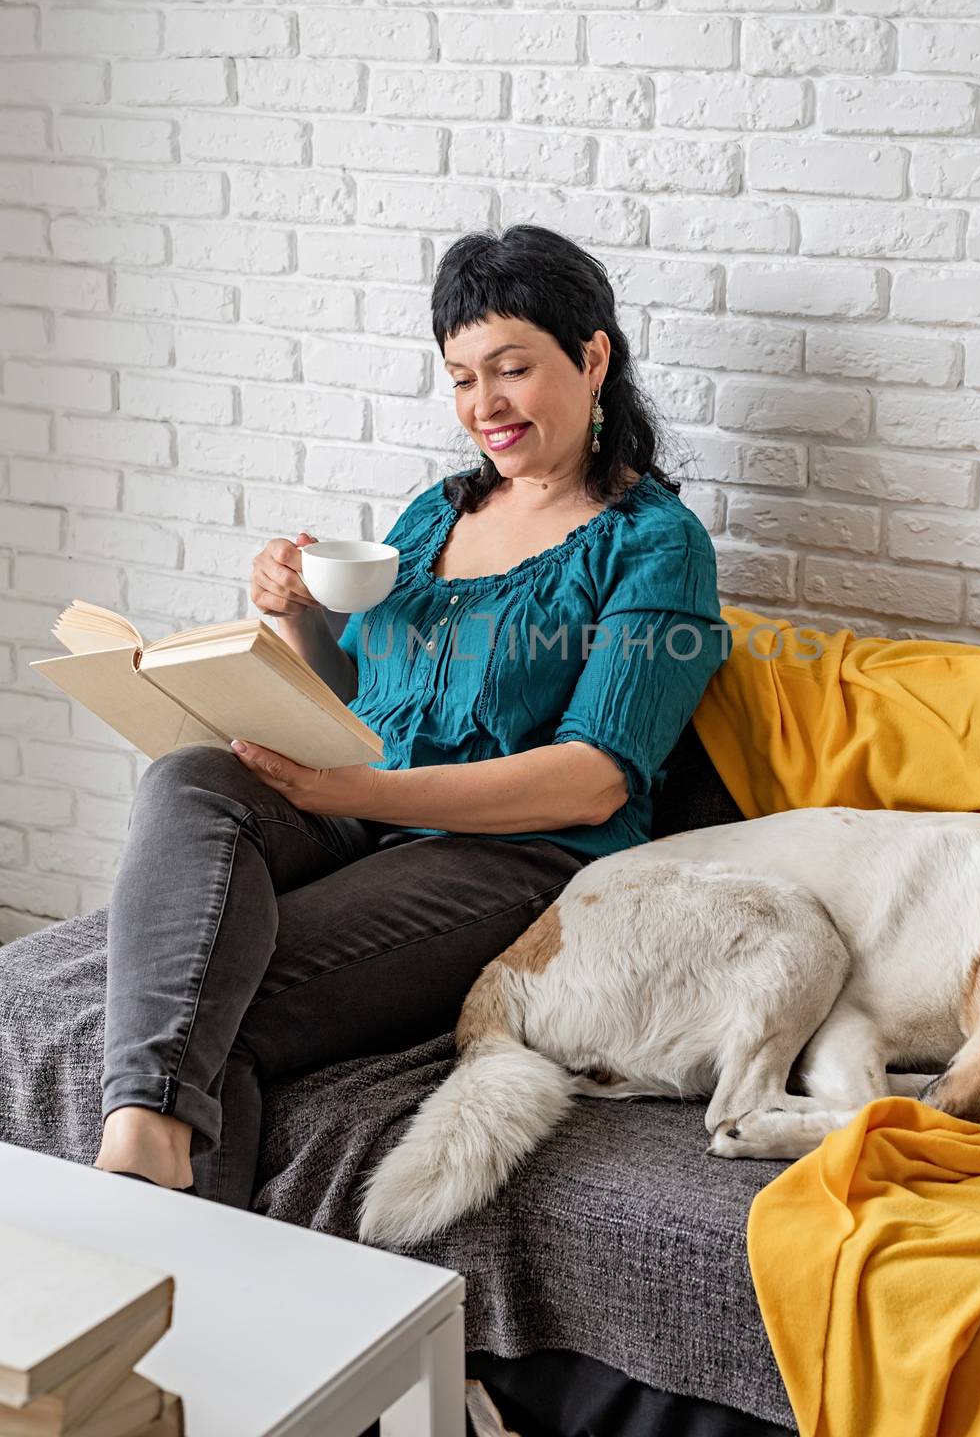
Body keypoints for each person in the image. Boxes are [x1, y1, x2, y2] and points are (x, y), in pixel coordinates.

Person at [90, 225, 727, 1208]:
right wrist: (296, 615)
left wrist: (361, 787)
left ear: (591, 355)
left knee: (215, 990)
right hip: (361, 806)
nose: (485, 406)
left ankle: (165, 1216)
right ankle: (146, 1131)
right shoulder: (435, 511)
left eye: (511, 369)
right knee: (189, 776)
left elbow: (595, 773)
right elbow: (359, 697)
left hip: (513, 856)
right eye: (463, 377)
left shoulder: (654, 544)